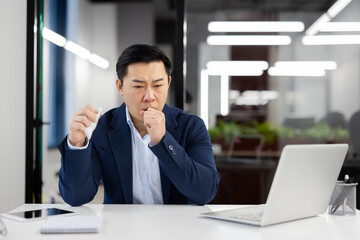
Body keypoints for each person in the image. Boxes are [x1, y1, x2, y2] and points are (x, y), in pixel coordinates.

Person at [58, 44, 219, 206]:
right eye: (138, 86)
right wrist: (76, 144)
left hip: (176, 227)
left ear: (168, 83)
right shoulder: (102, 128)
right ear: (120, 87)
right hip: (122, 228)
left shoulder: (191, 127)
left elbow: (204, 192)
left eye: (157, 85)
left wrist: (163, 141)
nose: (149, 96)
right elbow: (76, 197)